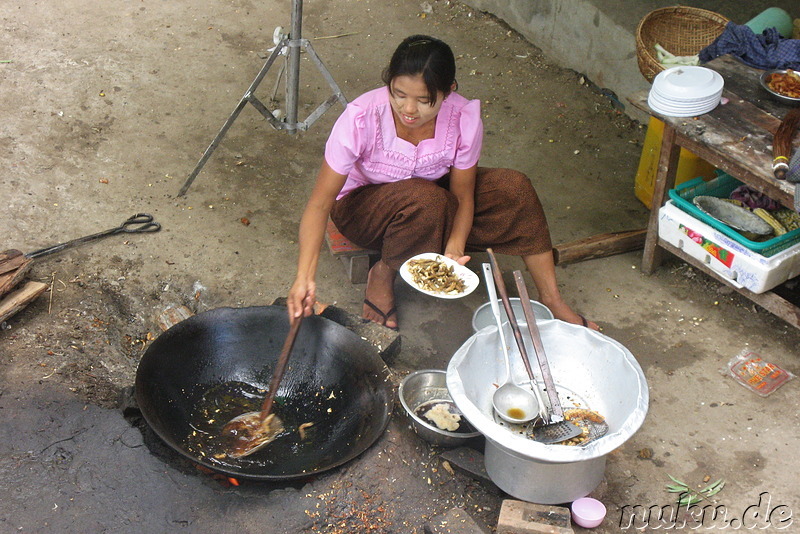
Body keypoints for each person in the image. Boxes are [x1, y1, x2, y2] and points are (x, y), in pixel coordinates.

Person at [288, 35, 599, 331]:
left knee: (513, 188)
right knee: (427, 200)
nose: (409, 110)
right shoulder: (360, 118)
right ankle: (382, 273)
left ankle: (552, 300)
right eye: (399, 94)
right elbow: (319, 204)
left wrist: (455, 246)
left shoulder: (462, 118)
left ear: (448, 90)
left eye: (425, 101)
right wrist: (304, 277)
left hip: (433, 202)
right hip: (364, 209)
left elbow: (462, 193)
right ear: (389, 82)